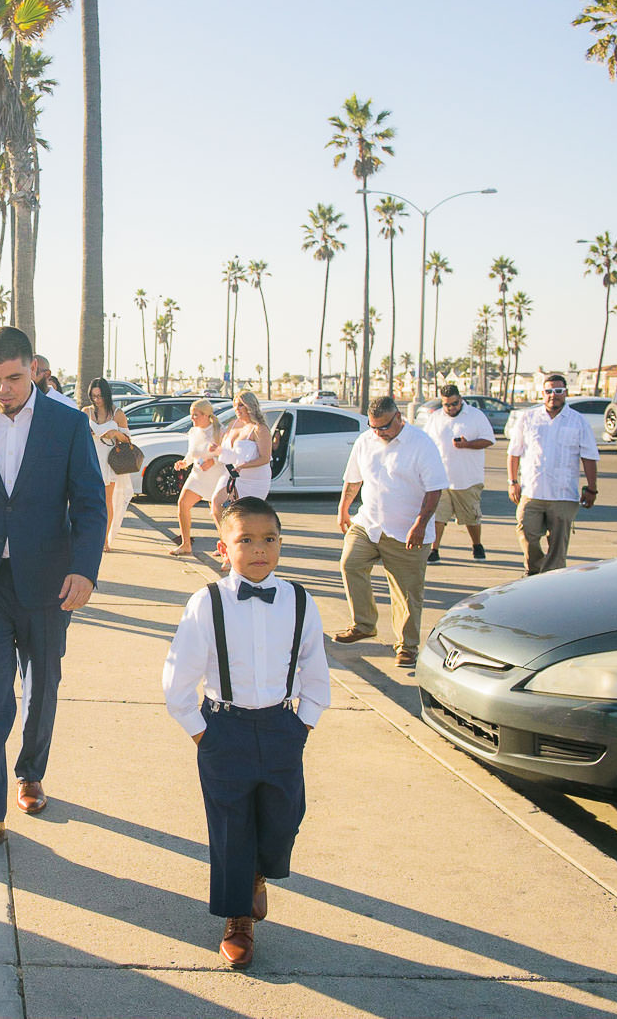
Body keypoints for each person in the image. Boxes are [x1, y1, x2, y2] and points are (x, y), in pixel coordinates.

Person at [0, 327, 106, 852]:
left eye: (13, 378)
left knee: (42, 687)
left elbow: (88, 503)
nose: (3, 390)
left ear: (32, 369)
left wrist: (84, 569)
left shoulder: (67, 424)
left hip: (49, 581)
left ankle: (31, 770)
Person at [161, 497, 329, 968]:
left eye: (269, 539)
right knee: (231, 828)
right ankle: (239, 920)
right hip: (224, 728)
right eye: (246, 540)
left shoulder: (300, 600)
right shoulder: (206, 602)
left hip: (281, 726)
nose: (260, 549)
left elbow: (315, 670)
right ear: (222, 548)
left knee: (283, 821)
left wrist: (303, 724)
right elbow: (177, 680)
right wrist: (203, 735)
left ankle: (258, 872)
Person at [332, 396, 448, 667]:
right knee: (350, 564)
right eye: (373, 427)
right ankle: (364, 624)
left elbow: (435, 489)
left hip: (407, 531)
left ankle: (407, 647)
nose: (378, 433)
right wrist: (343, 509)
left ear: (398, 418)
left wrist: (420, 524)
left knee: (407, 593)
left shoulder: (421, 444)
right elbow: (353, 479)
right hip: (369, 524)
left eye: (383, 427)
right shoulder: (365, 441)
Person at [507, 373, 599, 575]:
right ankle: (535, 570)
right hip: (532, 491)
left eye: (558, 391)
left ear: (566, 393)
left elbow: (589, 457)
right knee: (525, 531)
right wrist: (513, 481)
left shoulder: (578, 421)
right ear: (542, 393)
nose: (553, 395)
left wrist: (592, 489)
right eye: (549, 391)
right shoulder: (528, 418)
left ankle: (552, 578)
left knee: (558, 544)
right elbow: (514, 452)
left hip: (563, 495)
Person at [421, 384, 495, 563]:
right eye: (447, 405)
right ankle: (434, 550)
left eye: (454, 404)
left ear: (460, 400)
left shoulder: (476, 416)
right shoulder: (435, 418)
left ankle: (477, 545)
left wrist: (468, 444)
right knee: (438, 516)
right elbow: (425, 443)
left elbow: (489, 440)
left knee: (471, 517)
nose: (451, 408)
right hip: (441, 478)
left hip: (468, 478)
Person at [211, 393, 273, 572]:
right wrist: (217, 451)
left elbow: (264, 457)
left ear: (250, 407)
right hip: (232, 473)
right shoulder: (234, 424)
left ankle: (241, 551)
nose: (237, 410)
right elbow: (229, 452)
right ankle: (227, 547)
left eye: (241, 406)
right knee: (216, 504)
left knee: (244, 515)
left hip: (254, 478)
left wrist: (244, 466)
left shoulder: (259, 429)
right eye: (235, 405)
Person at [170, 399, 227, 556]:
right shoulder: (193, 432)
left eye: (195, 415)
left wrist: (213, 461)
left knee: (217, 512)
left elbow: (227, 453)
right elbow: (191, 453)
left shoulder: (219, 431)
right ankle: (185, 544)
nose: (192, 418)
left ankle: (226, 547)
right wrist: (184, 463)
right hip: (197, 475)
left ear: (206, 415)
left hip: (217, 475)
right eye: (191, 415)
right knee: (182, 504)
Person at [84, 377, 133, 552]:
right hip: (90, 460)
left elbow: (128, 440)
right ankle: (88, 536)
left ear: (107, 395)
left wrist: (114, 433)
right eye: (94, 396)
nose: (97, 400)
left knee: (106, 502)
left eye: (100, 396)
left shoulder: (117, 413)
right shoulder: (86, 412)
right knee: (88, 501)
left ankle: (104, 540)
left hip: (109, 461)